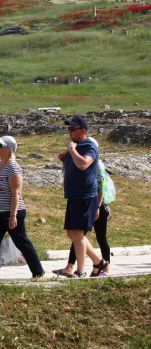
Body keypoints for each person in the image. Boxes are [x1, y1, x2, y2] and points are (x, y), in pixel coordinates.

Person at [0, 136, 45, 282]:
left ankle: (38, 272)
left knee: (21, 241)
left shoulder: (13, 167)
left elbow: (16, 192)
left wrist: (13, 215)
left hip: (11, 211)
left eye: (0, 146)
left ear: (8, 150)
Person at [53, 116, 107, 278]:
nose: (69, 133)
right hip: (74, 195)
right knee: (72, 233)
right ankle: (98, 262)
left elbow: (84, 164)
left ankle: (80, 270)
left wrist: (72, 150)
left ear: (83, 130)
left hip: (85, 195)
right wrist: (65, 160)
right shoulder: (77, 147)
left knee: (77, 233)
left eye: (72, 129)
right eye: (68, 129)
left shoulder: (89, 146)